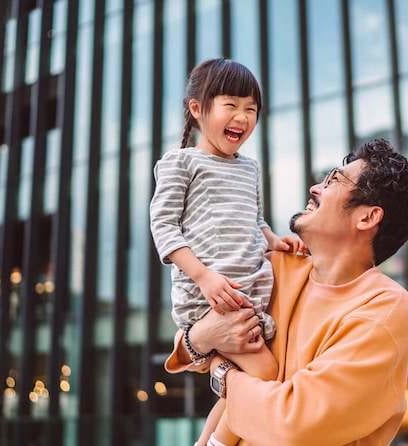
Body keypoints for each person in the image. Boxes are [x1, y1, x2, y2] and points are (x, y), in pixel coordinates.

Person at [166, 138, 408, 445]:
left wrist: (221, 371)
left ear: (367, 217)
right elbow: (190, 340)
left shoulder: (384, 308)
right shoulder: (277, 267)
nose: (315, 188)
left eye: (334, 180)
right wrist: (202, 338)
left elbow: (293, 423)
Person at [149, 58, 305, 446]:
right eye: (231, 105)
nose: (243, 117)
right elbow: (163, 227)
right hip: (210, 298)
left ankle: (206, 442)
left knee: (247, 382)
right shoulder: (180, 163)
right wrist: (203, 276)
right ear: (198, 109)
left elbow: (255, 220)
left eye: (251, 109)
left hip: (246, 294)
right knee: (266, 376)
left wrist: (274, 240)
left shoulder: (249, 169)